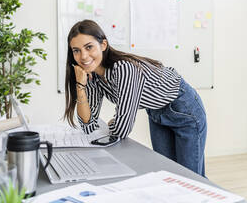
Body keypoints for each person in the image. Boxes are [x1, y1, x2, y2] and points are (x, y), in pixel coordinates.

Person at [64, 19, 207, 176]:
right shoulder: (92, 77)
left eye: (89, 47)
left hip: (184, 108)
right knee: (169, 174)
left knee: (192, 176)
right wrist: (80, 86)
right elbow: (88, 126)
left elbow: (122, 129)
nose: (83, 56)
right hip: (156, 111)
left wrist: (117, 123)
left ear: (103, 45)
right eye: (76, 50)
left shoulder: (124, 68)